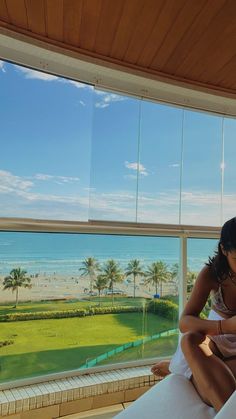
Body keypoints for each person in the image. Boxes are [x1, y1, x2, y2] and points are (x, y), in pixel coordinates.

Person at [151, 217, 236, 412]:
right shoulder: (212, 274)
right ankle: (184, 365)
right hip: (217, 338)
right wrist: (226, 326)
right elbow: (185, 322)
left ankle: (177, 366)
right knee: (190, 340)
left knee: (204, 380)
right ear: (224, 249)